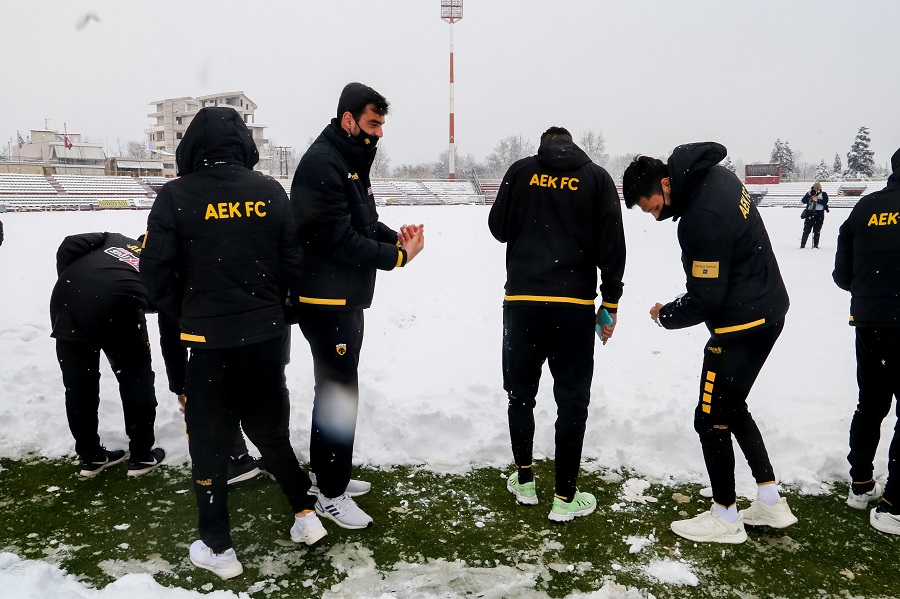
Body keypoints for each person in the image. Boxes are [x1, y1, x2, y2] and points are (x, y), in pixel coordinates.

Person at [140, 106, 326, 581]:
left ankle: (218, 546)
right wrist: (274, 317)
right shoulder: (268, 191)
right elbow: (293, 269)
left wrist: (193, 316)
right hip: (264, 339)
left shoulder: (175, 196)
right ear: (244, 144)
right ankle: (305, 515)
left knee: (207, 443)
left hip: (208, 344)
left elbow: (156, 282)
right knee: (270, 432)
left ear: (191, 148)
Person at [622, 142, 798, 544]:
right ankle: (770, 500)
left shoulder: (699, 216)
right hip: (769, 310)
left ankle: (725, 516)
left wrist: (665, 314)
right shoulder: (719, 177)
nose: (655, 216)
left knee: (710, 417)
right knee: (733, 408)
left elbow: (705, 298)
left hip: (740, 327)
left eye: (651, 206)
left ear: (665, 184)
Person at [290, 82, 424, 530]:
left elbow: (361, 221)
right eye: (372, 123)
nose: (379, 133)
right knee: (338, 392)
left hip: (340, 295)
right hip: (324, 299)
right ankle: (330, 493)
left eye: (382, 124)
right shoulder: (323, 163)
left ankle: (325, 476)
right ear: (348, 119)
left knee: (334, 389)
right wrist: (396, 257)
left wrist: (393, 238)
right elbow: (335, 237)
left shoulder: (346, 159)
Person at [488, 126, 625, 522]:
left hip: (523, 302)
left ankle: (526, 480)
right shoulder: (596, 178)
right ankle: (565, 496)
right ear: (571, 144)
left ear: (544, 144)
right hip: (574, 306)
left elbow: (498, 229)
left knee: (520, 395)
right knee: (572, 401)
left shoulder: (520, 171)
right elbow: (612, 245)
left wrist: (532, 211)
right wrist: (610, 302)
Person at [49, 232, 164, 478]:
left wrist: (77, 284)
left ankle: (91, 457)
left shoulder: (116, 239)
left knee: (79, 385)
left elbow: (70, 243)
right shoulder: (163, 264)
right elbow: (162, 302)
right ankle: (142, 455)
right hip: (120, 301)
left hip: (67, 299)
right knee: (136, 377)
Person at [833, 147, 900, 536]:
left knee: (870, 403)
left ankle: (860, 485)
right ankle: (894, 505)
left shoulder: (866, 209)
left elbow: (843, 274)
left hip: (871, 323)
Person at [157, 311, 262, 485]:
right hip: (255, 328)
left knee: (213, 379)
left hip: (221, 338)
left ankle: (239, 458)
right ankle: (257, 457)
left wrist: (180, 387)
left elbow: (172, 338)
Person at [800, 181, 829, 248]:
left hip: (819, 215)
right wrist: (808, 194)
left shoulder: (823, 194)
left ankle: (815, 245)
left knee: (817, 230)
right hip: (809, 214)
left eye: (817, 188)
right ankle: (802, 245)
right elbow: (803, 201)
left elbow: (825, 202)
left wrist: (818, 200)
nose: (815, 190)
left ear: (820, 189)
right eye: (814, 188)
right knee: (806, 230)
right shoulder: (810, 194)